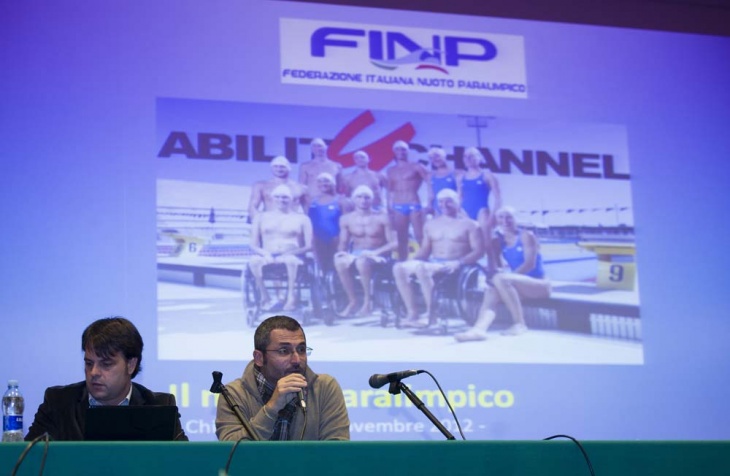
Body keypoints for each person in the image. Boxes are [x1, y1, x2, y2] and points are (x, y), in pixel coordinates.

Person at [25, 317, 187, 441]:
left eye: (106, 364)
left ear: (131, 365)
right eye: (89, 363)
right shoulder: (58, 403)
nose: (94, 372)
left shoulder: (159, 406)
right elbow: (27, 461)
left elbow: (184, 463)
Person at [215, 315, 350, 441]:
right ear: (259, 358)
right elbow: (231, 451)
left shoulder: (325, 388)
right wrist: (271, 409)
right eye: (284, 351)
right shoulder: (233, 394)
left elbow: (338, 451)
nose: (297, 360)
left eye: (301, 349)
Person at [454, 206, 551, 342]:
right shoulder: (500, 240)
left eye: (509, 217)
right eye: (501, 217)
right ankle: (479, 329)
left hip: (539, 285)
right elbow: (497, 265)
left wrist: (504, 279)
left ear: (515, 219)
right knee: (492, 290)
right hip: (518, 285)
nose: (505, 221)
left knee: (501, 280)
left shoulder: (526, 236)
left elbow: (530, 264)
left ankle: (520, 324)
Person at [393, 189, 483, 328]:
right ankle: (412, 313)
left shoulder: (471, 225)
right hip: (434, 264)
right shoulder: (431, 224)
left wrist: (459, 262)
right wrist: (411, 261)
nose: (444, 205)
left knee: (422, 268)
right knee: (399, 268)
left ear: (458, 202)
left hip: (456, 265)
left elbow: (479, 251)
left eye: (448, 201)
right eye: (440, 202)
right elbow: (424, 251)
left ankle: (432, 314)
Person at [334, 185, 396, 317]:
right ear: (353, 199)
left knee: (362, 262)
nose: (363, 200)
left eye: (367, 197)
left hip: (378, 254)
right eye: (359, 197)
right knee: (340, 262)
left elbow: (394, 243)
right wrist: (341, 253)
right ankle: (353, 301)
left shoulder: (382, 217)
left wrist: (376, 253)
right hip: (356, 254)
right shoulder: (346, 219)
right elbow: (343, 242)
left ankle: (368, 302)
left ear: (372, 200)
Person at [249, 184, 313, 311]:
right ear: (272, 199)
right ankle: (265, 297)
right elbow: (253, 244)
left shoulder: (302, 219)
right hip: (268, 255)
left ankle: (291, 297)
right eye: (277, 197)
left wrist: (291, 253)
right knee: (254, 261)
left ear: (292, 200)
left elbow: (309, 245)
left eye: (285, 197)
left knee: (290, 260)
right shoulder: (261, 217)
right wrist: (265, 254)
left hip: (292, 256)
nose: (281, 200)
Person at [457, 147, 502, 271]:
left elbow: (498, 198)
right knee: (466, 243)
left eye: (472, 156)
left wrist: (493, 216)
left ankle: (493, 269)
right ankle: (467, 269)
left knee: (487, 243)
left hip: (481, 210)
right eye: (466, 156)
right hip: (465, 212)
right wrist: (457, 213)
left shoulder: (487, 176)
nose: (468, 159)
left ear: (479, 158)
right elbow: (459, 197)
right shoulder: (461, 177)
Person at [385, 140, 429, 260]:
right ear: (394, 151)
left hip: (413, 203)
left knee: (420, 236)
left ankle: (425, 262)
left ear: (408, 151)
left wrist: (430, 201)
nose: (401, 151)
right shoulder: (391, 170)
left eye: (403, 149)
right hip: (398, 205)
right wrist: (388, 205)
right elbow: (390, 190)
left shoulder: (416, 166)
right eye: (398, 149)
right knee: (401, 237)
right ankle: (402, 263)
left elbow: (430, 182)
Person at [308, 172, 352, 273]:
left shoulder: (342, 201)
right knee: (321, 270)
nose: (323, 184)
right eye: (320, 181)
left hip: (336, 240)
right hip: (317, 241)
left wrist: (343, 242)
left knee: (336, 270)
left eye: (326, 181)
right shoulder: (313, 202)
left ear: (333, 183)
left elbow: (349, 224)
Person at [248, 156, 307, 221]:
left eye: (282, 167)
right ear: (271, 168)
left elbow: (307, 209)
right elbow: (252, 207)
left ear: (289, 168)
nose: (279, 169)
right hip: (269, 222)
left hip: (291, 223)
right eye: (275, 166)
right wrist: (259, 223)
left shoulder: (300, 188)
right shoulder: (261, 185)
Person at [426, 147, 460, 216]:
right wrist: (429, 206)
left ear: (444, 156)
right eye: (431, 158)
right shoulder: (431, 176)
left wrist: (459, 208)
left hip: (452, 208)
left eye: (437, 156)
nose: (435, 159)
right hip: (437, 209)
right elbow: (431, 195)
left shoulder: (456, 173)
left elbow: (460, 193)